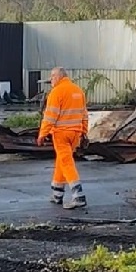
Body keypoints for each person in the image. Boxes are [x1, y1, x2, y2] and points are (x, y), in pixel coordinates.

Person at [37, 67, 89, 209]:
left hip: (61, 133)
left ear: (59, 77)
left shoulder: (56, 92)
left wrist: (42, 134)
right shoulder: (78, 91)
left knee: (66, 162)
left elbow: (50, 117)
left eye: (52, 77)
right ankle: (57, 194)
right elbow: (84, 114)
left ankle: (78, 196)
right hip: (75, 133)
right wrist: (84, 132)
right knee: (62, 161)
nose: (51, 80)